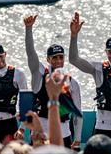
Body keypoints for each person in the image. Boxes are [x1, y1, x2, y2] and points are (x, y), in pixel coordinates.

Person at [69, 12, 111, 144]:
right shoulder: (98, 69)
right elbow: (73, 59)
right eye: (110, 52)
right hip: (103, 127)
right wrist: (74, 35)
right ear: (106, 52)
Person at [23, 14, 82, 149]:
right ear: (48, 60)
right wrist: (28, 29)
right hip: (41, 135)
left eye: (61, 57)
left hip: (64, 135)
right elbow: (31, 54)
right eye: (54, 58)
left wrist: (77, 139)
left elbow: (78, 114)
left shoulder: (72, 83)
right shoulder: (39, 76)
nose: (58, 61)